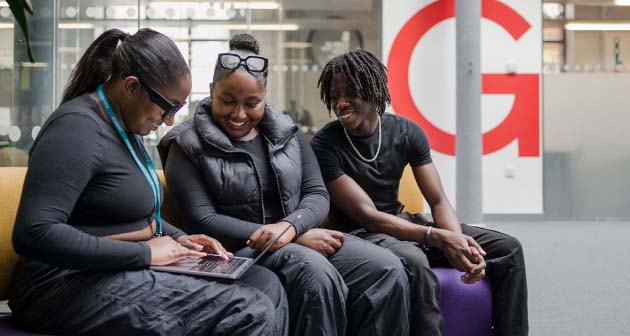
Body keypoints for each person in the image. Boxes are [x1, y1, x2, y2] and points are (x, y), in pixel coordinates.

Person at [10, 28, 288, 336]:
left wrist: (181, 238)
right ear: (131, 87)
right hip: (60, 283)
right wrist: (146, 254)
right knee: (249, 310)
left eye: (178, 110)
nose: (169, 121)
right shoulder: (75, 130)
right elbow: (34, 234)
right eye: (167, 107)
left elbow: (133, 214)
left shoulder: (125, 126)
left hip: (116, 268)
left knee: (265, 284)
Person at [158, 34, 410, 336]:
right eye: (227, 101)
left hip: (296, 236)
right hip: (236, 252)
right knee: (315, 275)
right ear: (212, 91)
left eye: (252, 103)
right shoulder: (185, 143)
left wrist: (291, 227)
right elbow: (204, 220)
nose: (239, 114)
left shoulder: (285, 132)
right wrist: (286, 238)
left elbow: (316, 193)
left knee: (387, 269)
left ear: (265, 95)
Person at [310, 49, 528, 336]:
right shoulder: (325, 145)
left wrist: (459, 241)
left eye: (349, 93)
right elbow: (368, 216)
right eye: (335, 96)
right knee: (417, 263)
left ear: (374, 91)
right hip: (361, 234)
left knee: (508, 250)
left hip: (405, 223)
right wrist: (438, 237)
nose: (340, 103)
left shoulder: (407, 132)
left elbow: (437, 200)